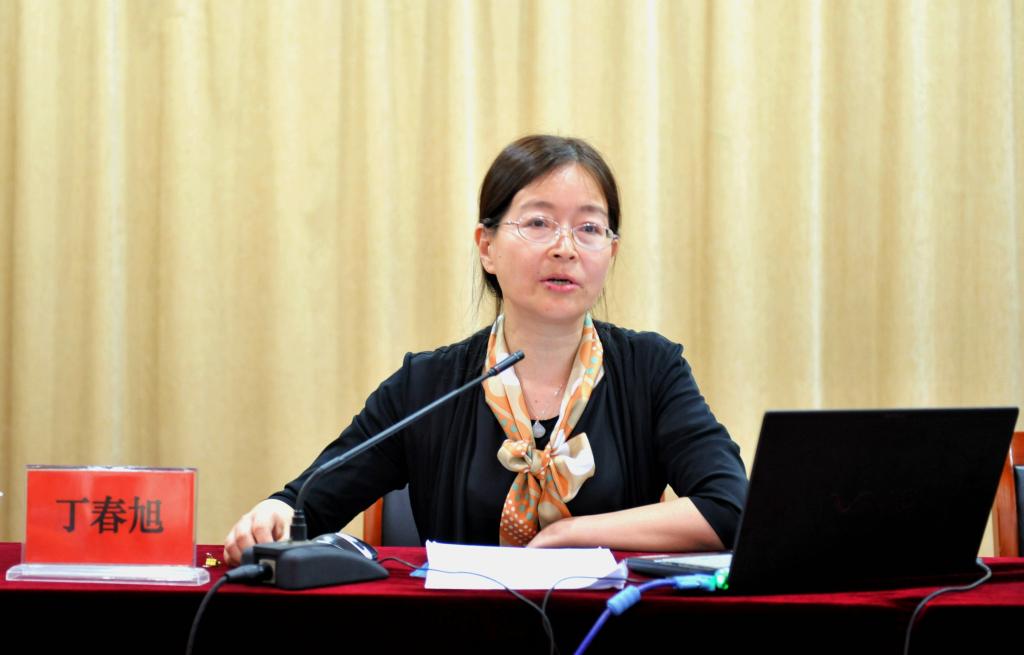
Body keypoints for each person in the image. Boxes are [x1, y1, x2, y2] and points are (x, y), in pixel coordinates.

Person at [223, 134, 748, 566]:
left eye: (589, 228)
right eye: (538, 223)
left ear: (610, 252)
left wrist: (574, 533)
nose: (565, 247)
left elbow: (731, 507)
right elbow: (307, 508)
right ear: (487, 247)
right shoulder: (428, 385)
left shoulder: (651, 370)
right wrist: (274, 512)